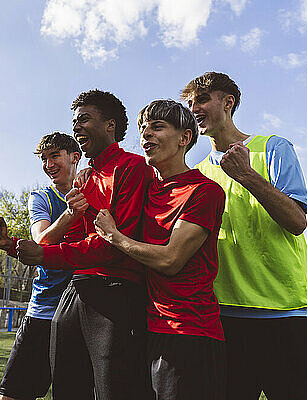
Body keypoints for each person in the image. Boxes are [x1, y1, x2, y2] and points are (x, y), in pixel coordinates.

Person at [181, 71, 307, 399]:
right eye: (189, 103)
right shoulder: (197, 176)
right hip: (224, 318)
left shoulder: (272, 148)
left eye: (201, 99)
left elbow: (296, 221)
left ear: (228, 102)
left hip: (286, 316)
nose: (193, 107)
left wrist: (246, 176)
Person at [0, 89, 155, 400]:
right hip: (74, 294)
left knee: (113, 391)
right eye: (74, 121)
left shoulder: (133, 167)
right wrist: (16, 247)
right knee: (67, 390)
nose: (76, 127)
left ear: (110, 125)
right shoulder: (85, 178)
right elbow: (70, 240)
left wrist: (41, 253)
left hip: (116, 294)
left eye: (84, 119)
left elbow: (113, 243)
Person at [94, 99, 227, 400]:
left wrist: (115, 237)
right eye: (143, 129)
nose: (146, 135)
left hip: (190, 333)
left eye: (157, 127)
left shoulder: (204, 192)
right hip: (147, 329)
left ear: (184, 138)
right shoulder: (146, 188)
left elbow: (170, 260)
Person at [0, 132, 83, 400]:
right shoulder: (40, 197)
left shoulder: (96, 189)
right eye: (44, 158)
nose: (48, 164)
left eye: (55, 156)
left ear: (75, 157)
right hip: (43, 309)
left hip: (82, 312)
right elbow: (41, 240)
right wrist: (72, 213)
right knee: (10, 395)